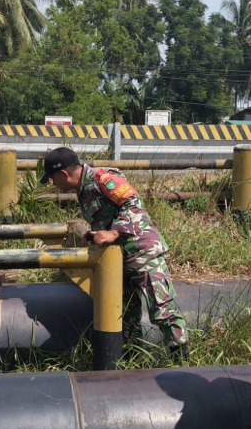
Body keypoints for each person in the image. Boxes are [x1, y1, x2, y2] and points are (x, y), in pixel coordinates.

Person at [40, 147, 189, 359]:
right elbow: (107, 215)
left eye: (53, 178)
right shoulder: (83, 187)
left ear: (63, 174)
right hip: (119, 257)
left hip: (142, 252)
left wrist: (113, 232)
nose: (53, 184)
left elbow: (133, 203)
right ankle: (131, 359)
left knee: (161, 309)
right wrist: (95, 233)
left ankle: (181, 359)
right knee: (127, 312)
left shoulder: (103, 178)